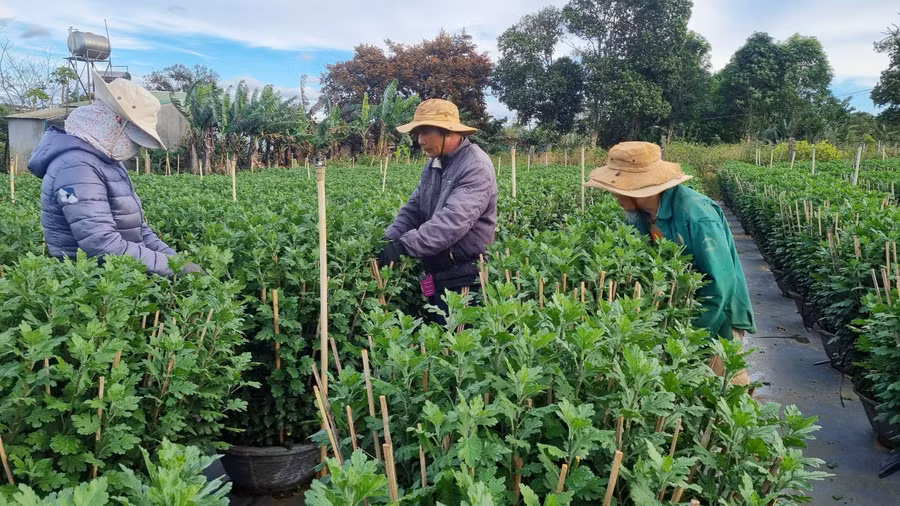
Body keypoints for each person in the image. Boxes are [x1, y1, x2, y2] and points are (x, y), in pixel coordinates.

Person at [584, 141, 756, 387]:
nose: (615, 195)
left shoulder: (698, 215)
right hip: (676, 318)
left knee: (723, 390)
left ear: (642, 188)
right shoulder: (639, 216)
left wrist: (689, 339)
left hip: (717, 319)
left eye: (620, 188)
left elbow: (720, 286)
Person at [27, 69, 200, 277]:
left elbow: (140, 230)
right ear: (116, 121)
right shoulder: (76, 167)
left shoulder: (105, 160)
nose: (135, 144)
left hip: (125, 270)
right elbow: (102, 244)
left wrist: (177, 261)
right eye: (135, 133)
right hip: (91, 281)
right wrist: (175, 268)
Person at [378, 99, 498, 323]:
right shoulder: (435, 163)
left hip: (464, 279)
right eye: (418, 134)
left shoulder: (475, 166)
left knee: (458, 350)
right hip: (438, 274)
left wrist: (405, 245)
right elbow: (414, 207)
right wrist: (390, 238)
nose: (420, 141)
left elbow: (452, 222)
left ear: (448, 132)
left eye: (425, 132)